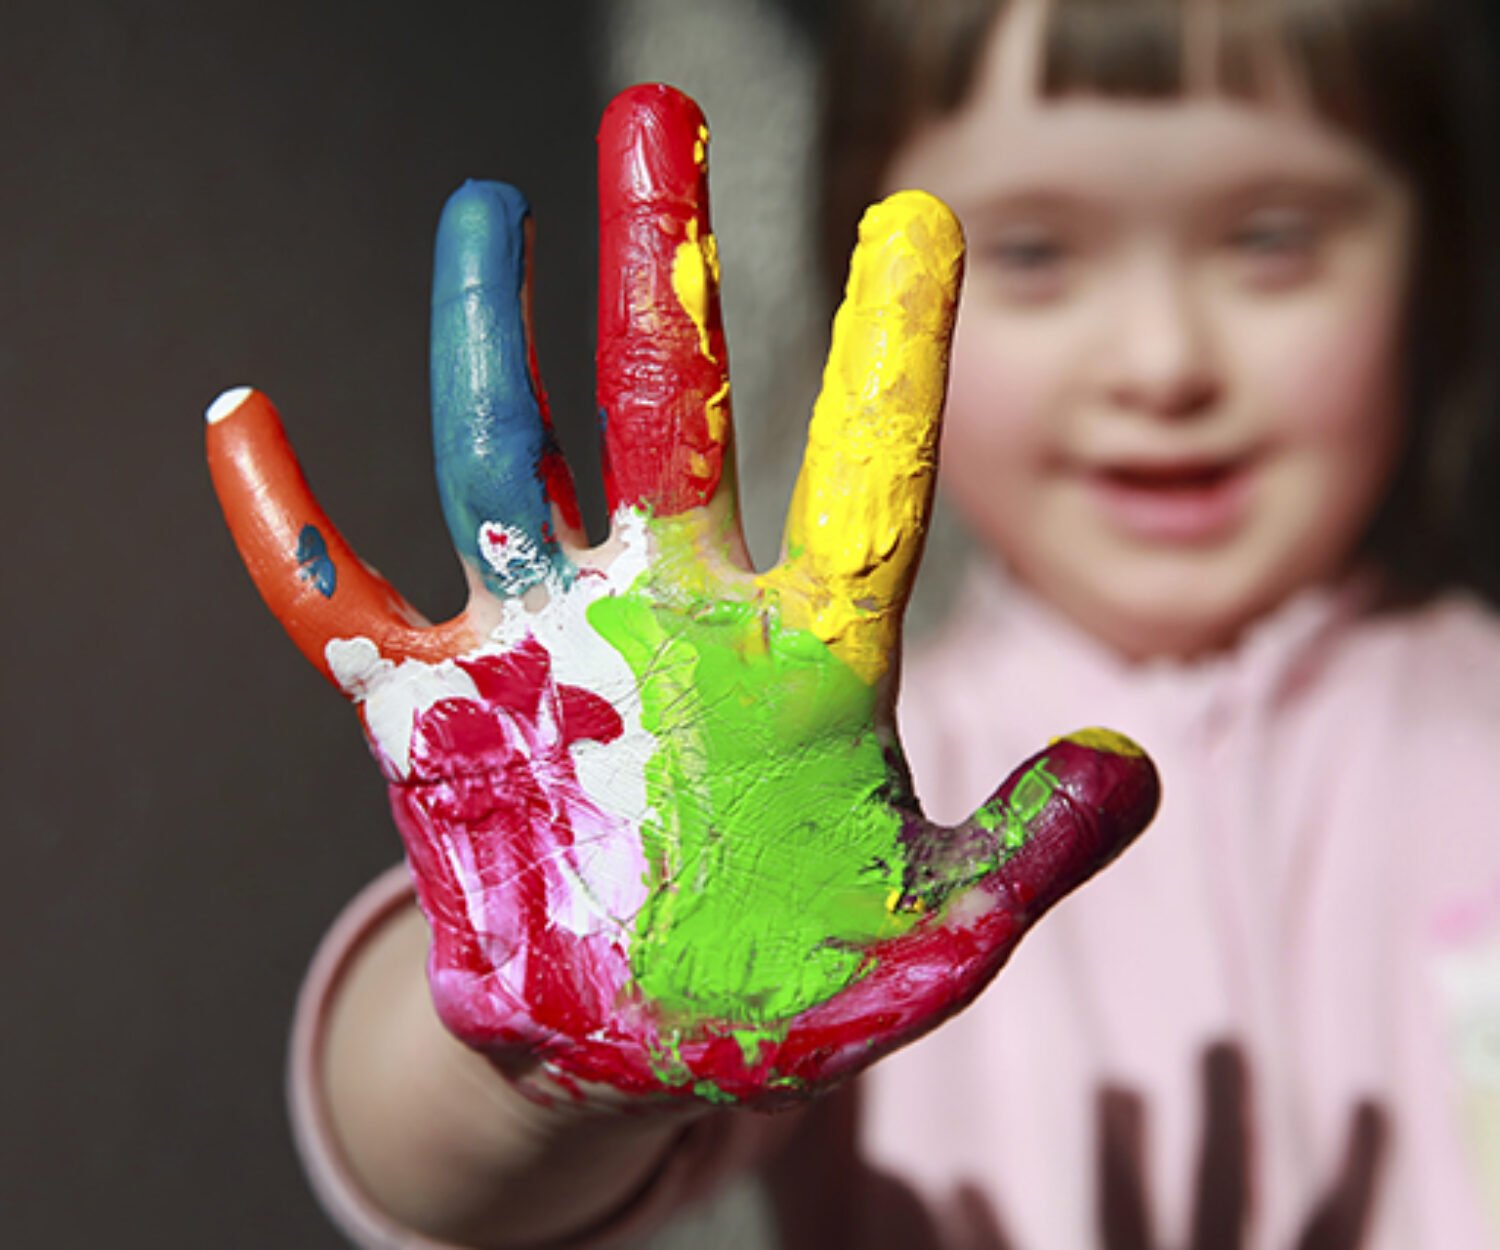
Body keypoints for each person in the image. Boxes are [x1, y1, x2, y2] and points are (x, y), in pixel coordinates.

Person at [208, 0, 1500, 1246]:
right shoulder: (786, 770)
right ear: (867, 300)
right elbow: (430, 1172)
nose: (1161, 360)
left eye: (1271, 237)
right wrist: (535, 1046)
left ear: (1435, 253)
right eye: (1037, 253)